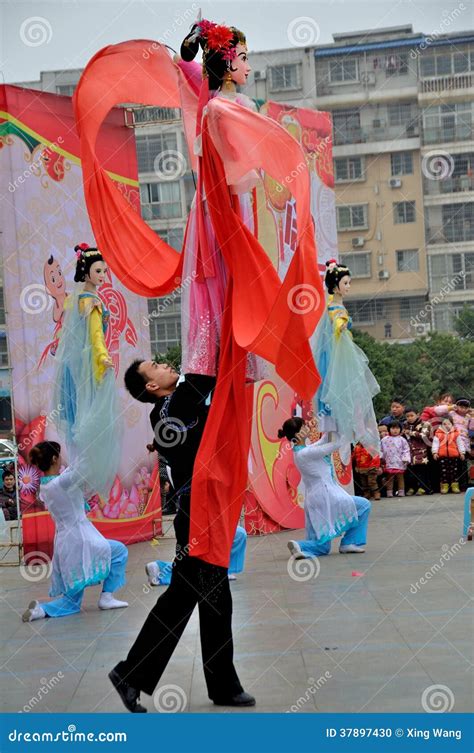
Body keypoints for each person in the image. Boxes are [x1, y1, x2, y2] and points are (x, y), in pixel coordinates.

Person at [108, 359, 255, 713]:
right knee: (197, 595)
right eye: (156, 366)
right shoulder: (167, 413)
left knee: (205, 596)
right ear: (153, 388)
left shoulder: (173, 406)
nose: (165, 364)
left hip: (203, 511)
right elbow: (210, 379)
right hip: (197, 515)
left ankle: (217, 683)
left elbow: (214, 384)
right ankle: (137, 674)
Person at [22, 441, 128, 622]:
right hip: (81, 540)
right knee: (119, 551)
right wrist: (86, 438)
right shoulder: (61, 483)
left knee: (72, 600)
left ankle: (41, 610)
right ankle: (106, 597)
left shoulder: (46, 488)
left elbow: (74, 474)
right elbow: (81, 467)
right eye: (60, 454)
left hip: (64, 543)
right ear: (55, 458)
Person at [52, 244, 119, 496]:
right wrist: (103, 357)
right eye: (98, 271)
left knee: (78, 430)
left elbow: (68, 336)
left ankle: (70, 492)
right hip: (88, 370)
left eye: (104, 271)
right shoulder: (91, 302)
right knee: (90, 430)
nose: (102, 275)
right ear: (86, 272)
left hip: (73, 371)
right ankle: (69, 490)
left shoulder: (73, 301)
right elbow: (96, 335)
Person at [311, 260, 380, 463]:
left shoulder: (335, 304)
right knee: (345, 388)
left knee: (346, 390)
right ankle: (340, 435)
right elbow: (337, 320)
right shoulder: (335, 306)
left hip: (340, 349)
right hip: (339, 351)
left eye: (349, 283)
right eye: (346, 283)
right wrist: (341, 324)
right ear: (335, 285)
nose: (348, 287)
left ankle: (339, 435)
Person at [279, 418, 371, 558]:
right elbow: (333, 445)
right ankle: (349, 542)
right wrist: (348, 430)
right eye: (304, 426)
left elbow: (323, 442)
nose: (308, 426)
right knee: (363, 505)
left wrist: (331, 424)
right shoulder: (305, 453)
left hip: (316, 498)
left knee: (322, 546)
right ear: (299, 434)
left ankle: (301, 547)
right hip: (326, 496)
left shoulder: (302, 451)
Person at [146, 525, 247, 586]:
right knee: (197, 573)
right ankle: (161, 570)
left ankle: (223, 569)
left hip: (203, 519)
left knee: (239, 534)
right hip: (198, 520)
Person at [403, 408, 433, 496]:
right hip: (409, 452)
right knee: (411, 472)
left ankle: (423, 488)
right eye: (407, 416)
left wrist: (411, 433)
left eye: (412, 415)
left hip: (422, 451)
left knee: (422, 471)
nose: (409, 418)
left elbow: (424, 436)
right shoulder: (405, 424)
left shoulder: (425, 424)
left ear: (418, 414)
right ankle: (412, 487)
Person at [432, 417, 465, 494]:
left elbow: (460, 444)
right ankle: (444, 486)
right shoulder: (438, 434)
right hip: (443, 456)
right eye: (444, 424)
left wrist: (462, 452)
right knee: (443, 472)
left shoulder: (456, 433)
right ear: (441, 425)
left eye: (448, 423)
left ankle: (455, 486)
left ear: (452, 424)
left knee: (454, 471)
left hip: (454, 456)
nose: (446, 425)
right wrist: (434, 452)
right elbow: (435, 444)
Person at [380, 421, 410, 498]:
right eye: (393, 428)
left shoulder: (402, 439)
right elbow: (381, 449)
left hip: (400, 462)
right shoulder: (384, 440)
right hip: (389, 461)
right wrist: (381, 457)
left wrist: (405, 458)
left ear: (400, 429)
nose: (395, 430)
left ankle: (401, 491)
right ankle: (389, 492)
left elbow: (406, 449)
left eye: (397, 428)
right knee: (390, 477)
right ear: (389, 429)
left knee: (400, 477)